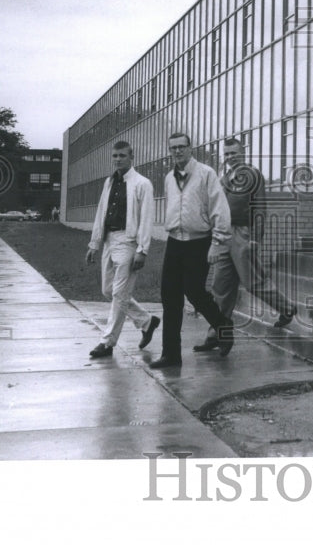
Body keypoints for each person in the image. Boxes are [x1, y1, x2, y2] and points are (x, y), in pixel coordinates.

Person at [194, 137, 297, 353]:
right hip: (224, 233)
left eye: (234, 153)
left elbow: (259, 207)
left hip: (243, 233)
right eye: (227, 154)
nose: (230, 157)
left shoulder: (253, 175)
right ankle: (216, 333)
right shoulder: (224, 178)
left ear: (243, 153)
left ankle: (287, 308)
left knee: (253, 283)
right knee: (221, 287)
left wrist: (255, 238)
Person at [150, 132, 233, 369]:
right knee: (170, 297)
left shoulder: (206, 174)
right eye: (173, 148)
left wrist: (217, 243)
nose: (177, 151)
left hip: (200, 241)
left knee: (195, 292)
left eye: (181, 147)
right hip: (175, 241)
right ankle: (171, 355)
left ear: (190, 148)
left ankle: (223, 328)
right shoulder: (168, 178)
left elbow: (220, 209)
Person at [85, 141, 160, 358]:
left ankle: (107, 342)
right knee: (108, 291)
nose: (117, 159)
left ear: (131, 156)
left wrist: (142, 249)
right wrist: (94, 244)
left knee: (119, 293)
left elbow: (147, 218)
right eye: (115, 156)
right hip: (109, 240)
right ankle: (146, 321)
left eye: (122, 155)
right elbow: (101, 212)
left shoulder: (142, 183)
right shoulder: (109, 182)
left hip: (128, 242)